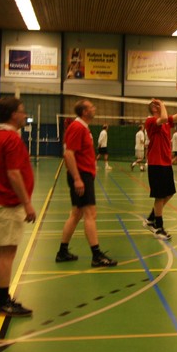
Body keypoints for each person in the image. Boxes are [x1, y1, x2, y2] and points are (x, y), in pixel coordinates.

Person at [0, 96, 36, 316]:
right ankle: (4, 301)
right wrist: (27, 203)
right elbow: (14, 174)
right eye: (22, 111)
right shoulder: (11, 140)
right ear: (13, 115)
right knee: (7, 254)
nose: (25, 115)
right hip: (8, 203)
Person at [56, 101, 119, 267]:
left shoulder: (83, 128)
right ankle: (96, 255)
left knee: (76, 214)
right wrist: (77, 178)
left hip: (84, 175)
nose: (94, 108)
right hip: (81, 175)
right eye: (91, 107)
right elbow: (68, 154)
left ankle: (62, 252)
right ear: (84, 111)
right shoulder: (77, 127)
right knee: (90, 214)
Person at [143, 83, 177, 240]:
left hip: (166, 162)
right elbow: (162, 118)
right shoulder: (150, 121)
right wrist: (161, 103)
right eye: (156, 104)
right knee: (159, 196)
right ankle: (159, 228)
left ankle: (151, 219)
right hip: (156, 163)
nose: (159, 105)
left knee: (169, 193)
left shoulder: (167, 121)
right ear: (153, 108)